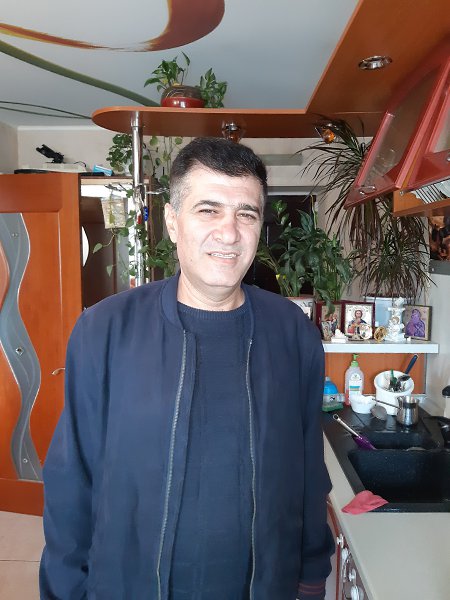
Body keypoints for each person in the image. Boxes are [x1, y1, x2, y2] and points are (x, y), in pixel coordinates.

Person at [40, 137, 334, 600]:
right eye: (208, 210)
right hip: (128, 587)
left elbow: (307, 467)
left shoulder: (292, 333)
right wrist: (64, 589)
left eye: (246, 214)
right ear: (173, 222)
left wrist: (312, 574)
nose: (229, 233)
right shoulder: (106, 329)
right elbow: (70, 478)